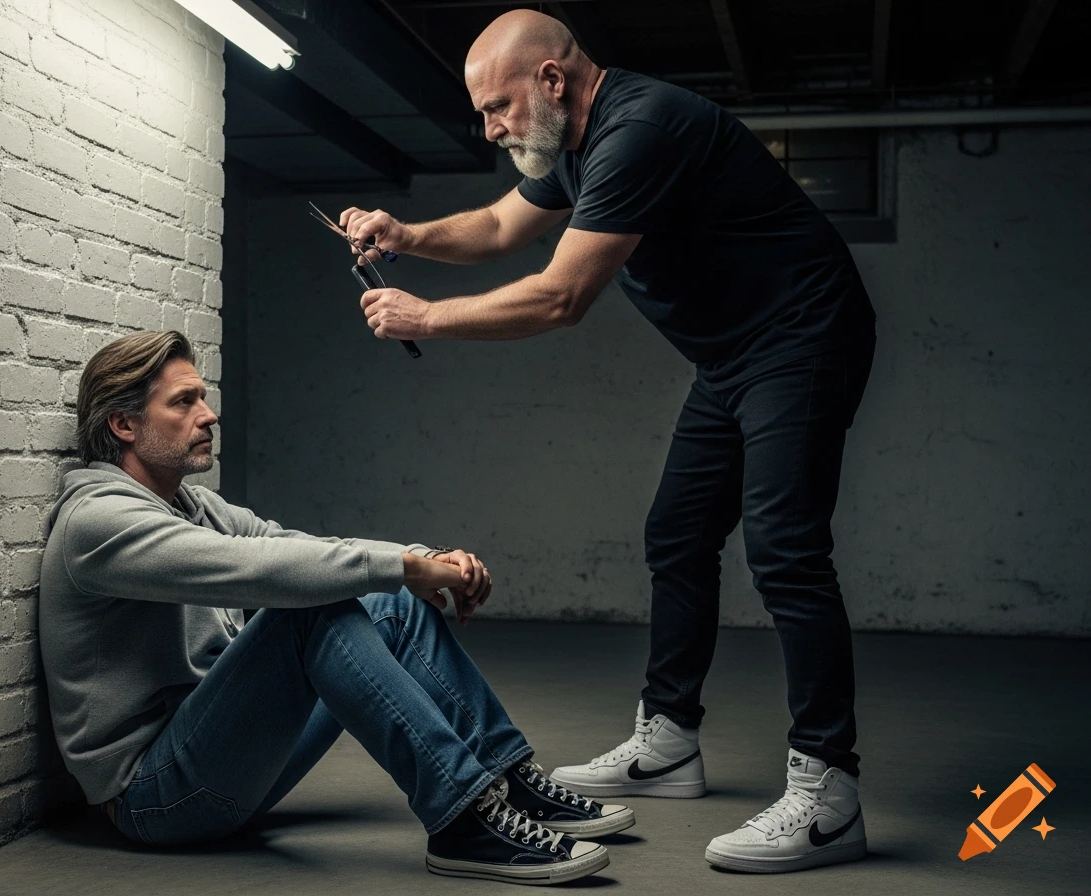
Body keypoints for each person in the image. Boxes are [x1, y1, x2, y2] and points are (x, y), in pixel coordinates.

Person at [339, 9, 875, 874]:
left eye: (499, 106)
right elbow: (501, 227)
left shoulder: (639, 130)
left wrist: (426, 316)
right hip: (734, 355)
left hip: (803, 335)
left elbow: (560, 297)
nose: (492, 128)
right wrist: (407, 237)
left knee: (785, 551)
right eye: (483, 114)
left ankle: (831, 793)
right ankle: (668, 744)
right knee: (678, 533)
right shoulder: (573, 143)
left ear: (552, 79)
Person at [38, 330, 634, 886]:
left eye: (205, 397)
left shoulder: (192, 505)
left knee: (385, 602)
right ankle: (462, 822)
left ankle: (507, 777)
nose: (209, 414)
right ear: (124, 423)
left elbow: (293, 546)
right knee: (307, 606)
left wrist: (418, 558)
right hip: (157, 797)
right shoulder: (99, 523)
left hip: (221, 759)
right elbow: (259, 572)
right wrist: (403, 565)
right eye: (184, 402)